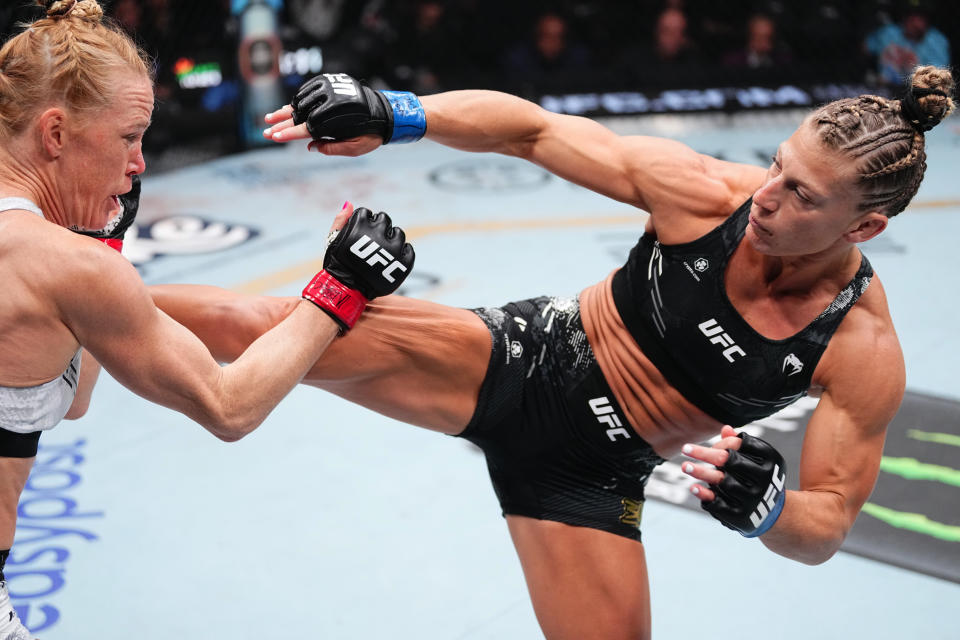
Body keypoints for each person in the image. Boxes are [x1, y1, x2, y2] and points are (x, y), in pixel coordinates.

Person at [152, 66, 954, 639]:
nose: (767, 196)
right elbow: (533, 131)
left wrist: (773, 510)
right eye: (778, 164)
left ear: (863, 227)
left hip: (593, 479)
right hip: (519, 360)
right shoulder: (710, 194)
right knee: (246, 322)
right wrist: (395, 111)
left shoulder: (859, 347)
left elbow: (828, 525)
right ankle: (50, 289)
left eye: (802, 195)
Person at [0, 3, 414, 638]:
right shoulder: (65, 267)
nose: (139, 162)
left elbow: (69, 398)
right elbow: (229, 406)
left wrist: (100, 239)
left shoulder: (56, 261)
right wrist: (342, 286)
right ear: (55, 134)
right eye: (128, 136)